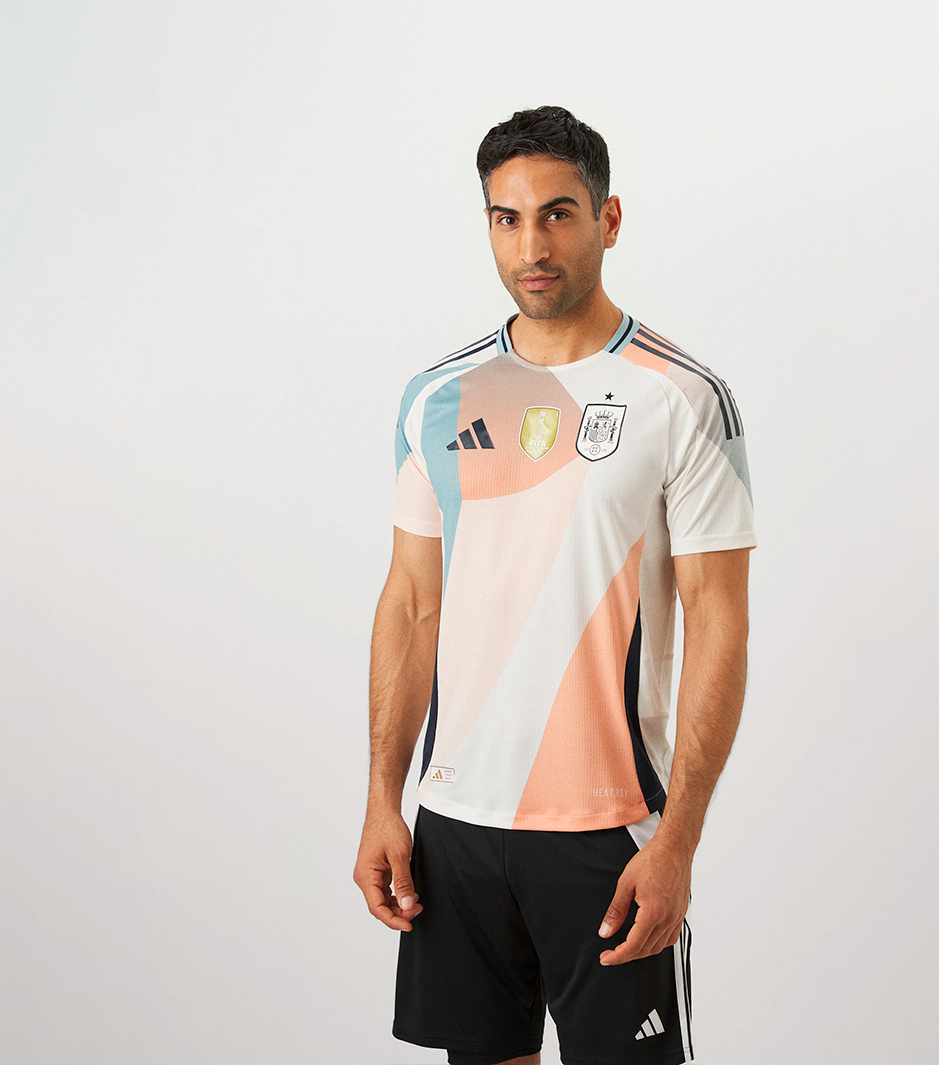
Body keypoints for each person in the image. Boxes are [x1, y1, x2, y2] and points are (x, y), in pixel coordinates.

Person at [353, 105, 757, 1065]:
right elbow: (410, 603)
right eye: (507, 218)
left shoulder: (682, 397)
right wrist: (382, 798)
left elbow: (720, 625)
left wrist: (677, 840)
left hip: (608, 829)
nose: (530, 246)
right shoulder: (435, 397)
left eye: (557, 215)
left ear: (608, 220)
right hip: (455, 824)